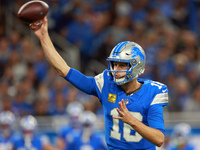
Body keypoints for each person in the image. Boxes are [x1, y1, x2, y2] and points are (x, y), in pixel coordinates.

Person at [30, 17, 169, 150]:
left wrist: (132, 121)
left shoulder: (153, 92)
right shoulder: (106, 83)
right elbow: (64, 70)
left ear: (136, 66)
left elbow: (159, 139)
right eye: (114, 65)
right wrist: (44, 37)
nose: (115, 70)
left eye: (122, 65)